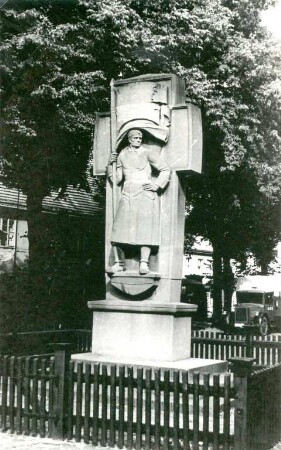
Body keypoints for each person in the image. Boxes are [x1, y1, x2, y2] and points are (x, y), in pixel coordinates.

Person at [107, 129, 170, 274]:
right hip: (128, 194)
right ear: (129, 139)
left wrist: (157, 185)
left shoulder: (147, 152)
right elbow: (116, 180)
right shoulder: (122, 154)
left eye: (140, 137)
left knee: (145, 230)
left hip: (145, 193)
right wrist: (110, 165)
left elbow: (165, 169)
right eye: (135, 137)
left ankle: (144, 263)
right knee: (118, 230)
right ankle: (118, 263)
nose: (138, 140)